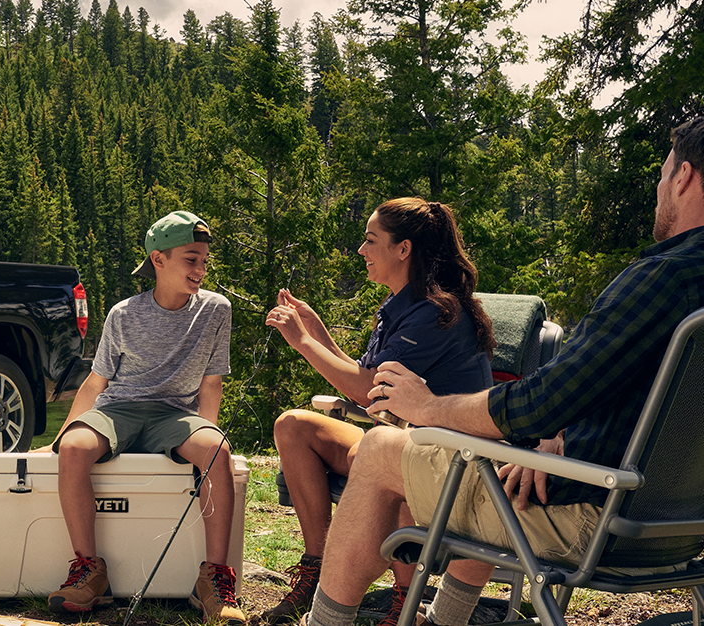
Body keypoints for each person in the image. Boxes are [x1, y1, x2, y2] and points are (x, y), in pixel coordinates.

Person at [294, 117, 704, 626]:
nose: (661, 189)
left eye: (663, 176)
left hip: (592, 518)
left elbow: (538, 402)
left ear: (684, 177)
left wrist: (427, 406)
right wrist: (559, 438)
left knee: (387, 451)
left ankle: (325, 622)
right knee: (497, 464)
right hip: (683, 528)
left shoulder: (661, 279)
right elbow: (618, 391)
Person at [258, 198, 496, 626]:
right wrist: (319, 334)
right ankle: (316, 566)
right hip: (399, 437)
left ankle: (407, 601)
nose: (362, 251)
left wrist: (302, 342)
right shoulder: (401, 305)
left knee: (396, 463)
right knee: (293, 426)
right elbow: (369, 379)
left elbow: (368, 391)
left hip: (449, 456)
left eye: (370, 241)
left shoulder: (436, 313)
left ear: (402, 249)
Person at [41, 210, 241, 624]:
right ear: (158, 260)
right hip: (119, 410)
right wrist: (61, 437)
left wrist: (207, 434)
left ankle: (214, 582)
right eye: (191, 259)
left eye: (204, 260)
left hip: (175, 414)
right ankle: (89, 572)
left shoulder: (216, 310)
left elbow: (210, 383)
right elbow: (96, 385)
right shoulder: (124, 314)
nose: (201, 269)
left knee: (217, 451)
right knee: (75, 449)